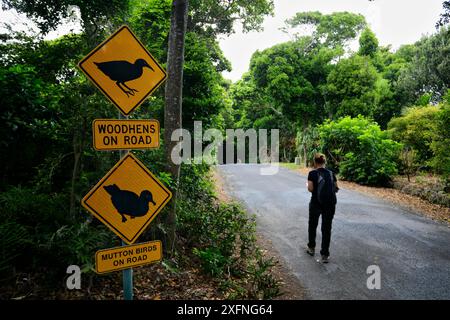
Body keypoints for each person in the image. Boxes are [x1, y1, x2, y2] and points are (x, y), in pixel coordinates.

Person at [306, 153, 339, 263]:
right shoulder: (331, 173)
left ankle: (311, 248)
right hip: (329, 204)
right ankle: (325, 254)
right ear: (324, 162)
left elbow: (310, 189)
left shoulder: (312, 173)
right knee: (326, 228)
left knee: (312, 225)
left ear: (315, 162)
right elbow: (336, 188)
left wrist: (307, 185)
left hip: (316, 203)